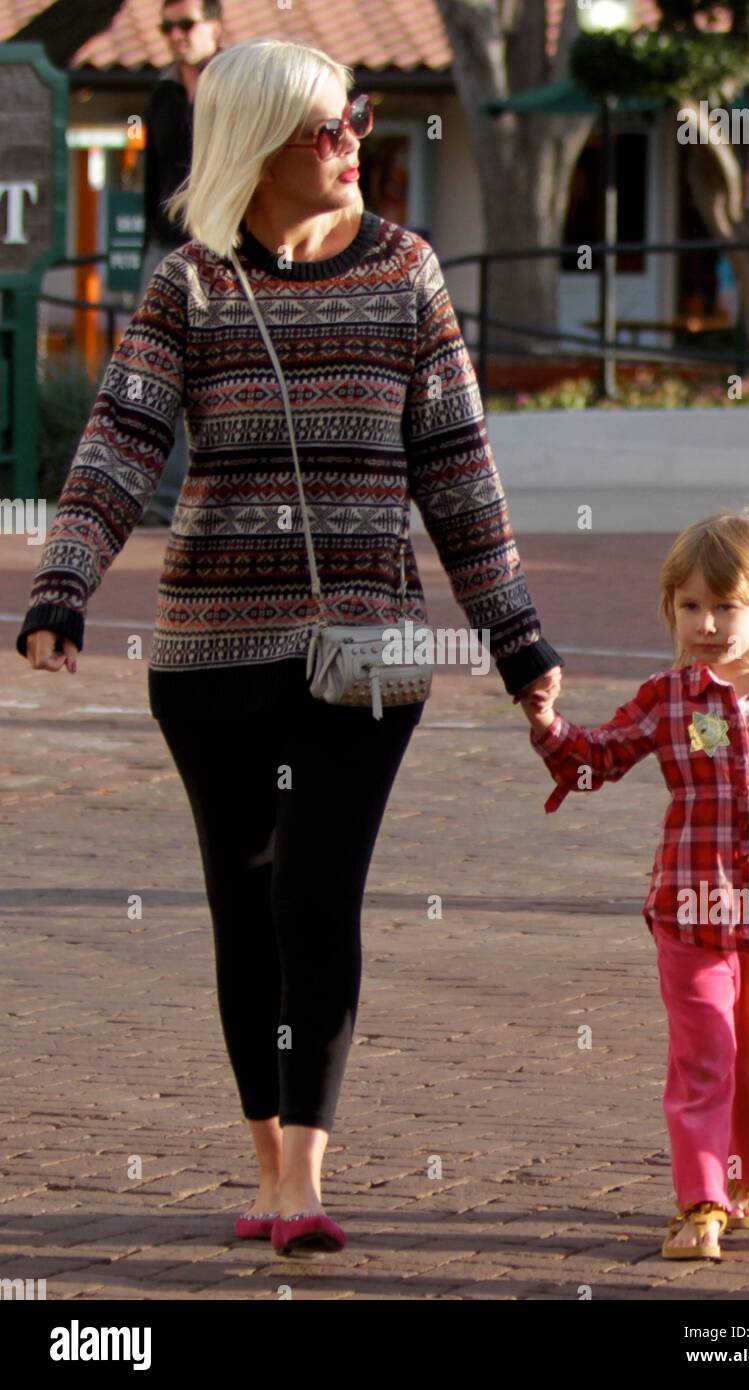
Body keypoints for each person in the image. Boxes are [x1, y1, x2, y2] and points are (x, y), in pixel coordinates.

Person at [16, 39, 563, 1257]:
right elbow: (120, 441)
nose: (355, 139)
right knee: (245, 899)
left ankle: (305, 1178)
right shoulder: (191, 286)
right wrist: (62, 585)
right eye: (328, 125)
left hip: (365, 655)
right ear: (257, 144)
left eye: (359, 116)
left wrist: (516, 637)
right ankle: (265, 1161)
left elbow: (458, 470)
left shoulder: (408, 274)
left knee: (317, 895)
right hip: (212, 655)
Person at [518, 508, 749, 1260]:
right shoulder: (667, 696)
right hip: (689, 904)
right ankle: (698, 1200)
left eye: (725, 605)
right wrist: (547, 723)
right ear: (671, 609)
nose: (706, 623)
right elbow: (596, 759)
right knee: (703, 1052)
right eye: (691, 605)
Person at [138, 0, 223, 525]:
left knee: (217, 373)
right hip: (166, 249)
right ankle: (162, 497)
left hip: (222, 246)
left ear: (215, 26)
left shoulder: (235, 86)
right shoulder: (162, 94)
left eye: (186, 25)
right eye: (167, 27)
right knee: (154, 372)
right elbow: (152, 176)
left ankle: (211, 498)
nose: (176, 36)